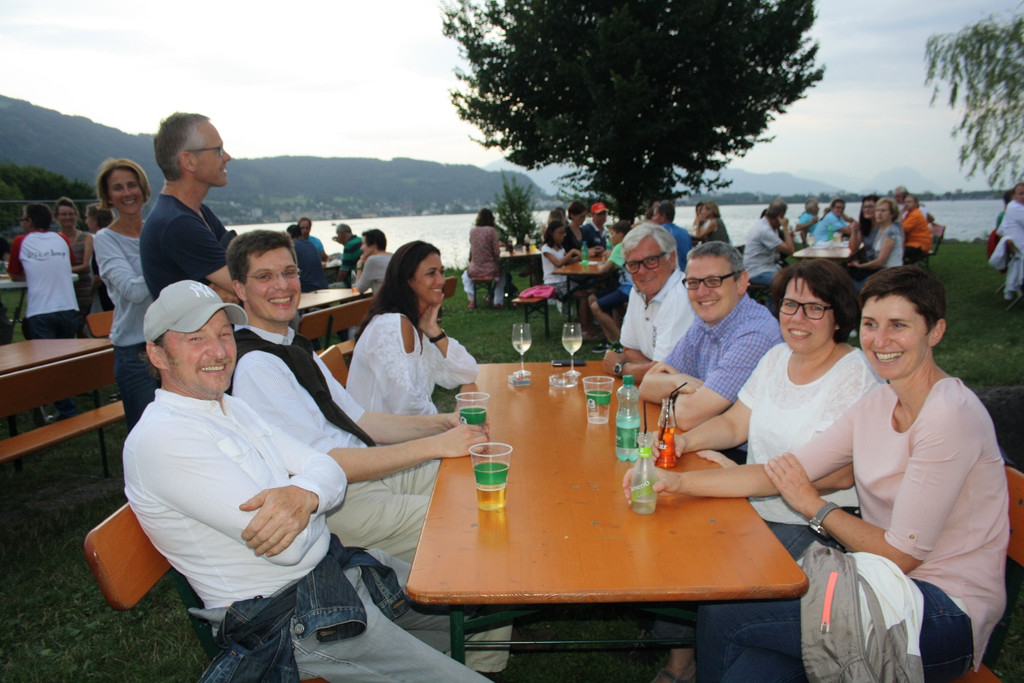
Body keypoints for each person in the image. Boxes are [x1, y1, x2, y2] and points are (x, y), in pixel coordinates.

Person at [642, 266, 1008, 682]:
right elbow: (780, 473)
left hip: (937, 614)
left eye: (899, 326)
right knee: (751, 670)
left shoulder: (948, 415)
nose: (881, 341)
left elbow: (902, 555)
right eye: (872, 324)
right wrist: (675, 481)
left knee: (727, 611)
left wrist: (813, 506)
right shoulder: (878, 404)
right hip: (874, 584)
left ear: (935, 331)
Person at [124, 279, 488, 682]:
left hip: (332, 576)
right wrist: (316, 494)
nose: (218, 351)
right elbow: (291, 548)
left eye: (224, 335)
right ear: (156, 353)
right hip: (295, 622)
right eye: (195, 339)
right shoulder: (165, 438)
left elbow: (324, 466)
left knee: (478, 600)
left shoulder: (231, 408)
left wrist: (305, 492)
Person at [226, 232, 512, 672]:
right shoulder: (256, 366)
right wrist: (435, 445)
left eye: (288, 272)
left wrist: (441, 424)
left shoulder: (289, 345)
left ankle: (484, 612)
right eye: (264, 277)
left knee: (485, 475)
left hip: (368, 472)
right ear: (239, 289)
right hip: (337, 504)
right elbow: (330, 465)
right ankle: (483, 658)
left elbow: (361, 419)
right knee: (477, 522)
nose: (282, 285)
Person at [643, 259, 882, 683]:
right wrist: (684, 441)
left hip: (815, 528)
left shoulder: (855, 372)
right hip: (756, 503)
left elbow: (838, 475)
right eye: (789, 306)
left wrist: (727, 478)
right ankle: (681, 658)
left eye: (814, 308)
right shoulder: (775, 358)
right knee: (674, 539)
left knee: (715, 581)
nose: (797, 318)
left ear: (840, 314)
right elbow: (736, 422)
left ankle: (698, 663)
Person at [641, 241, 782, 434]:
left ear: (741, 282)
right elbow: (646, 386)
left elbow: (686, 416)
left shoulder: (755, 335)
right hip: (701, 440)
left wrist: (675, 389)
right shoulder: (705, 323)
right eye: (693, 283)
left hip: (742, 456)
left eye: (714, 280)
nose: (701, 292)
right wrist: (679, 381)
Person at [350, 240, 478, 415]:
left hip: (408, 435)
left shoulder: (417, 325)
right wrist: (450, 428)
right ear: (407, 280)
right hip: (381, 441)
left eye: (442, 272)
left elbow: (467, 371)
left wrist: (433, 330)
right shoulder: (392, 326)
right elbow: (407, 409)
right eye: (431, 273)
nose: (441, 280)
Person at [93, 158, 161, 430]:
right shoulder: (105, 239)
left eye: (132, 185)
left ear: (142, 189)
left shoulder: (156, 231)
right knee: (145, 432)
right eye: (118, 188)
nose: (127, 193)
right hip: (134, 350)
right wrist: (164, 262)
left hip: (171, 341)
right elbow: (133, 291)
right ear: (108, 197)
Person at [140, 112, 235, 301]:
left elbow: (242, 266)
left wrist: (226, 291)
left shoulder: (198, 213)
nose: (227, 157)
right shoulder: (177, 223)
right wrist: (226, 292)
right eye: (219, 150)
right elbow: (250, 287)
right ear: (188, 160)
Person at [8, 203, 79, 419]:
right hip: (68, 307)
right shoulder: (62, 239)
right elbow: (68, 265)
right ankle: (66, 402)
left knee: (48, 366)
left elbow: (14, 274)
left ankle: (65, 409)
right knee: (64, 362)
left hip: (42, 310)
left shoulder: (21, 241)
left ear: (29, 221)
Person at [602, 223, 694, 384]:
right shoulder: (638, 291)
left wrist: (621, 367)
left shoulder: (681, 297)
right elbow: (629, 349)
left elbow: (664, 376)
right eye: (633, 264)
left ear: (671, 259)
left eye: (651, 260)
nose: (642, 271)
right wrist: (653, 367)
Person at [588, 219, 633, 350]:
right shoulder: (626, 246)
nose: (610, 237)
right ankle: (610, 340)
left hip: (629, 289)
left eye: (612, 233)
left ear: (621, 235)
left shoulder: (620, 247)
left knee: (596, 307)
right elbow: (613, 265)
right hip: (625, 286)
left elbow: (604, 269)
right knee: (592, 298)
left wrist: (599, 264)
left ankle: (621, 342)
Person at [54, 197, 94, 327]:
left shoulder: (86, 238)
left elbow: (86, 266)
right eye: (64, 214)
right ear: (56, 217)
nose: (68, 217)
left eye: (71, 214)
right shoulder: (54, 239)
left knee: (84, 327)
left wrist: (62, 271)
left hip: (83, 290)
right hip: (62, 292)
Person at [848, 197, 904, 286]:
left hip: (890, 273)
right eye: (878, 211)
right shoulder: (882, 229)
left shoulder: (891, 232)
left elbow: (881, 261)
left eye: (883, 211)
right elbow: (853, 248)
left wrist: (859, 266)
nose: (879, 214)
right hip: (879, 270)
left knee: (852, 286)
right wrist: (854, 231)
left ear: (892, 214)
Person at [460, 208, 507, 309]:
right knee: (503, 276)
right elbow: (496, 253)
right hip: (490, 270)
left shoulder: (473, 231)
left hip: (474, 270)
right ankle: (497, 301)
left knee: (465, 276)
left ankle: (472, 298)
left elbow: (473, 249)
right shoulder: (492, 231)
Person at [742, 198, 795, 287]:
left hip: (768, 268)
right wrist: (785, 227)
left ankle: (776, 300)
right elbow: (790, 250)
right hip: (757, 271)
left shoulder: (767, 226)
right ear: (780, 216)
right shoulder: (764, 230)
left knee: (797, 277)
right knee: (784, 283)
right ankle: (774, 301)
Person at [85, 204, 116, 312]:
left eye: (87, 217)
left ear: (95, 220)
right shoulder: (114, 237)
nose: (86, 221)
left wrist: (90, 292)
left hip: (107, 296)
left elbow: (98, 276)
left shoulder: (101, 240)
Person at [540, 218, 581, 299]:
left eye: (563, 233)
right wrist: (572, 252)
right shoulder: (546, 249)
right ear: (551, 233)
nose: (562, 236)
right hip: (553, 282)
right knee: (582, 294)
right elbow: (558, 263)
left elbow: (570, 261)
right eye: (560, 233)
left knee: (586, 289)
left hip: (563, 280)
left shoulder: (560, 247)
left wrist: (581, 256)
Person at [286, 223, 328, 292]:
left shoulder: (293, 246)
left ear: (289, 236)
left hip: (307, 288)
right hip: (323, 285)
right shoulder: (311, 244)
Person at [653, 200, 692, 271]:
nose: (653, 218)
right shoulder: (684, 232)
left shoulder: (660, 233)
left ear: (663, 217)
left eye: (655, 215)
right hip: (688, 271)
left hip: (674, 273)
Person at [353, 228, 392, 294]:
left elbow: (359, 288)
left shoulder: (373, 260)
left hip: (385, 303)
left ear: (373, 245)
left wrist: (359, 266)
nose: (361, 248)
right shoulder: (393, 256)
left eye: (363, 244)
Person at [901, 194, 932, 264]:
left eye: (909, 202)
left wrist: (899, 214)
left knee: (897, 251)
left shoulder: (915, 215)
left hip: (919, 244)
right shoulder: (909, 214)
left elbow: (903, 229)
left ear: (915, 204)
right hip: (913, 242)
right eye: (905, 202)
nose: (906, 204)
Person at [847, 194, 879, 260]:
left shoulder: (884, 227)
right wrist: (854, 231)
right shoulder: (865, 226)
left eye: (870, 207)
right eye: (865, 207)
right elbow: (854, 249)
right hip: (868, 263)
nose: (867, 209)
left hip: (878, 265)